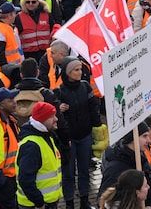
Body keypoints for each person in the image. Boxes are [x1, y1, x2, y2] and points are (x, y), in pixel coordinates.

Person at [55, 59, 103, 209]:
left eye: (80, 69)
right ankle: (69, 203)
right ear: (68, 73)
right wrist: (58, 108)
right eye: (76, 70)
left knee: (84, 171)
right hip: (68, 139)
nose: (80, 73)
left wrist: (97, 125)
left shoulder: (85, 87)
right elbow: (55, 116)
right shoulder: (59, 91)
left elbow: (93, 107)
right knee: (68, 173)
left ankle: (84, 201)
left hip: (85, 136)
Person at [17, 101, 64, 209]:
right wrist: (39, 203)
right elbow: (25, 180)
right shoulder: (31, 146)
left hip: (46, 203)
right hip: (35, 205)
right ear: (42, 120)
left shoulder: (47, 136)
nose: (56, 119)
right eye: (52, 116)